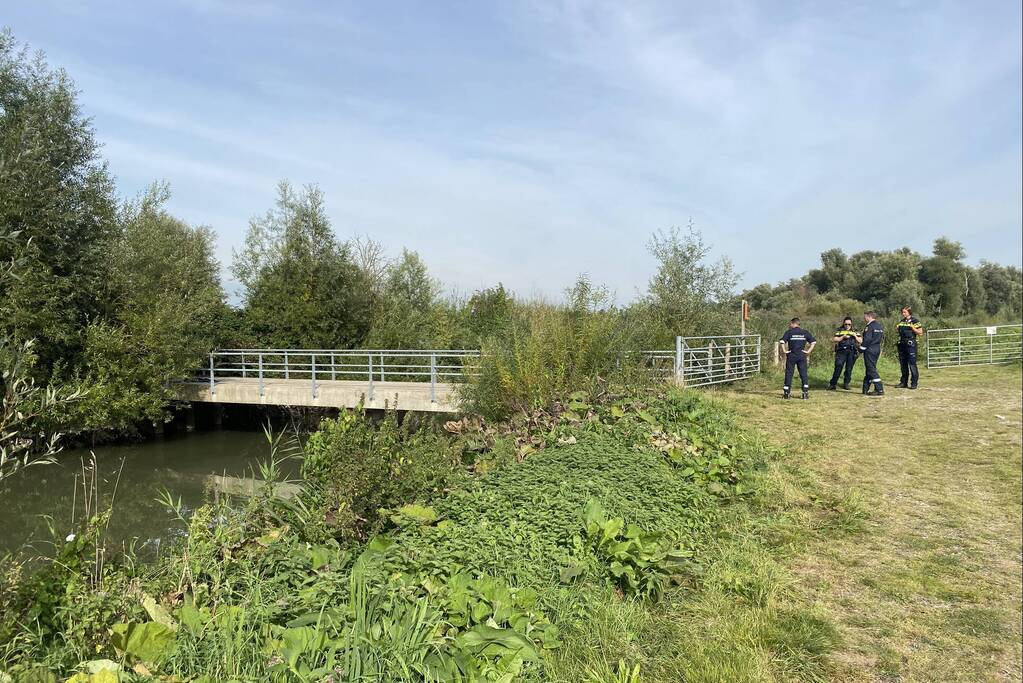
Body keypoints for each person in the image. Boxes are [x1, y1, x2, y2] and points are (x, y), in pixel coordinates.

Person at [779, 317, 816, 399]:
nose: (789, 325)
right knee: (803, 373)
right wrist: (808, 351)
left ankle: (786, 393)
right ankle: (805, 393)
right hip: (801, 355)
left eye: (790, 324)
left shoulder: (789, 332)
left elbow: (782, 341)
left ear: (793, 323)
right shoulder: (805, 332)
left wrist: (785, 351)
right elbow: (813, 342)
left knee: (789, 373)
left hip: (791, 355)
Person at [828, 316, 861, 390]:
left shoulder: (855, 331)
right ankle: (833, 384)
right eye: (846, 324)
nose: (847, 326)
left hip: (852, 351)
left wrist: (855, 336)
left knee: (849, 369)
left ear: (851, 324)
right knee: (838, 366)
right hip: (841, 351)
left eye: (849, 324)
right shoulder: (840, 330)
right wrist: (842, 337)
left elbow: (860, 340)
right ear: (843, 323)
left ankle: (846, 384)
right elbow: (834, 339)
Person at [895, 306, 923, 389]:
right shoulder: (902, 321)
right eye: (902, 312)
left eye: (905, 312)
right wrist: (897, 329)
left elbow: (920, 333)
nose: (903, 313)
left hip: (911, 345)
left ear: (909, 312)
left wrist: (913, 328)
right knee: (903, 364)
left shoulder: (915, 321)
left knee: (912, 364)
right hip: (902, 344)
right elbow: (899, 331)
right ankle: (903, 382)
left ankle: (914, 383)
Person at [860, 311, 884, 396]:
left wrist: (861, 349)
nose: (864, 318)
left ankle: (879, 388)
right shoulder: (879, 326)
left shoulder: (869, 327)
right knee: (870, 368)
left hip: (870, 349)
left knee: (871, 369)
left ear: (869, 316)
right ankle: (865, 388)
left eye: (865, 316)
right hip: (877, 348)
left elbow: (867, 339)